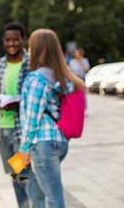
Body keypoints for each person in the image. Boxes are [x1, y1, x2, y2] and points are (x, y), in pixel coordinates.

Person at [19, 29, 84, 208]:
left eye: (31, 46)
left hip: (42, 144)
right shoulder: (62, 76)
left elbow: (31, 119)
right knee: (35, 192)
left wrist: (23, 149)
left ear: (38, 49)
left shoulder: (36, 79)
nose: (29, 50)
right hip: (60, 142)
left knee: (54, 199)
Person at [0, 22, 31, 208]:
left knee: (25, 175)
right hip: (3, 130)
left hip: (23, 130)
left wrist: (20, 104)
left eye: (15, 39)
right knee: (15, 173)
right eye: (7, 40)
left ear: (23, 40)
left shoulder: (32, 62)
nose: (11, 43)